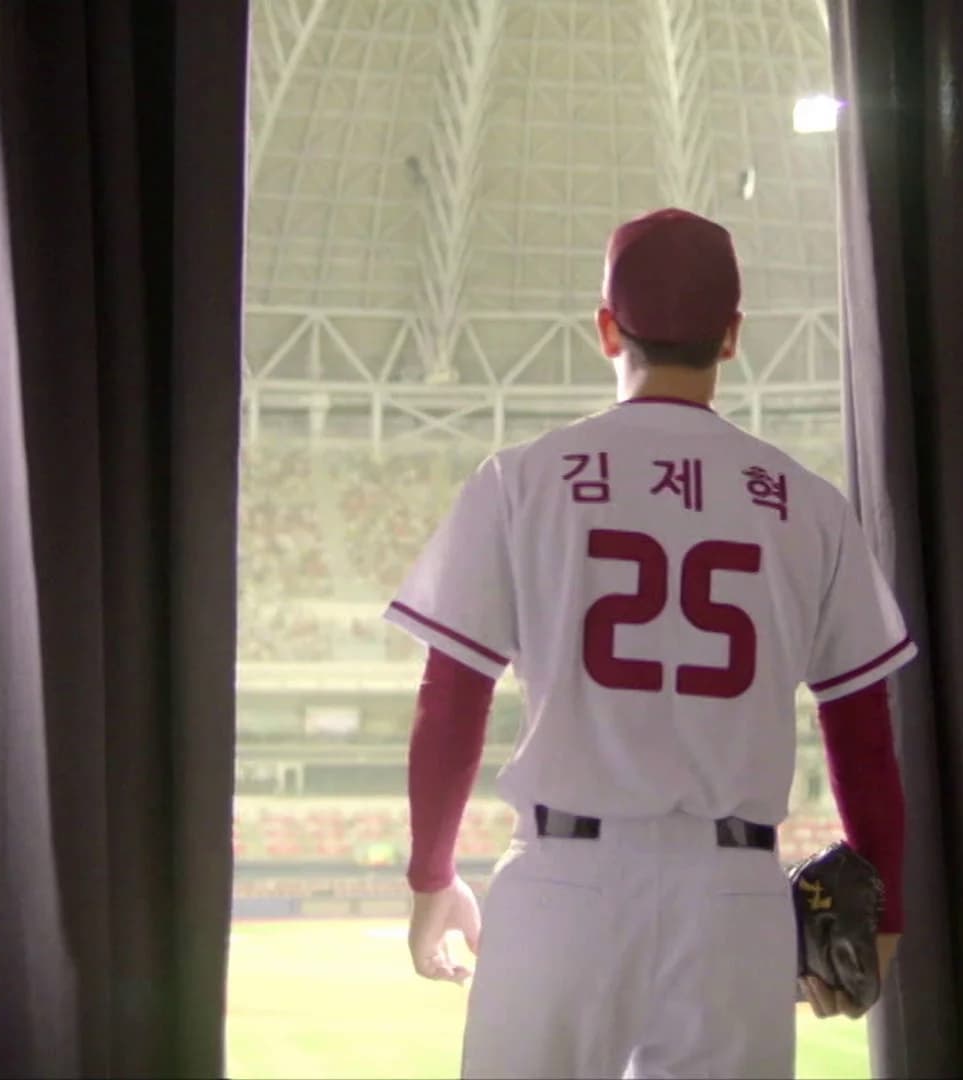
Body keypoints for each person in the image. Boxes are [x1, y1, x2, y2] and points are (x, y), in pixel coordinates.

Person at [384, 207, 915, 1078]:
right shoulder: (810, 504)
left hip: (564, 885)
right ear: (732, 336)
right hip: (735, 897)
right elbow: (860, 731)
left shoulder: (520, 481)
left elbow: (451, 700)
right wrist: (884, 908)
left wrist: (430, 876)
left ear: (606, 329)